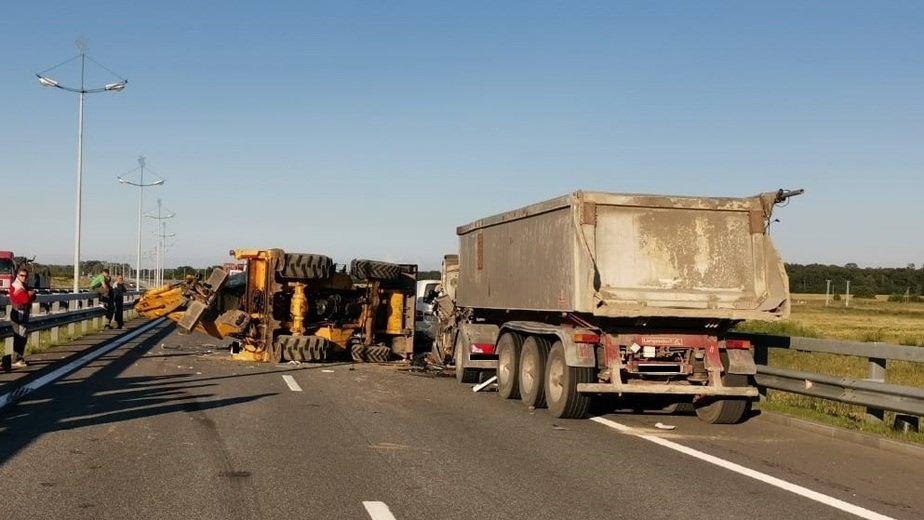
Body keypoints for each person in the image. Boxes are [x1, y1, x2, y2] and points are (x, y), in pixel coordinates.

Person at [7, 267, 37, 369]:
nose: (24, 277)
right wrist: (29, 294)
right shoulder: (17, 285)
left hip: (23, 313)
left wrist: (30, 294)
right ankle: (16, 359)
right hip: (18, 313)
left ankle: (18, 358)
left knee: (22, 336)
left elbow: (31, 297)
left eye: (25, 276)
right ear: (17, 275)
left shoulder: (23, 285)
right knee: (20, 337)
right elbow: (24, 299)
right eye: (21, 275)